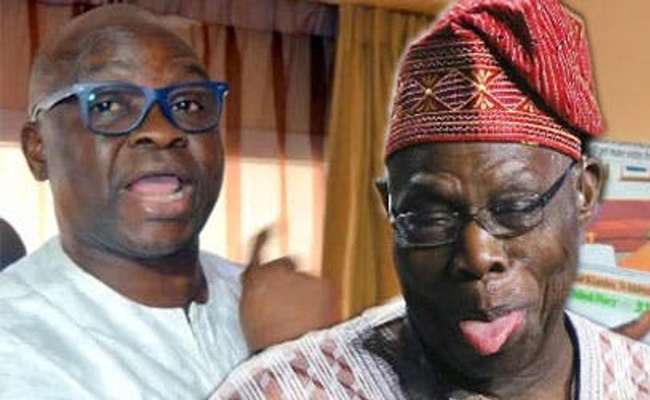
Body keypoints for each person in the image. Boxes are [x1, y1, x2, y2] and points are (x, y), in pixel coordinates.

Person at [212, 0, 650, 398]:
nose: (477, 255)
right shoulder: (280, 392)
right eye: (428, 217)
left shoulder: (638, 380)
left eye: (516, 208)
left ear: (583, 193)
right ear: (390, 207)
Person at [0, 5, 249, 398]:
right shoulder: (13, 339)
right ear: (38, 149)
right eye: (108, 105)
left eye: (188, 104)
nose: (162, 130)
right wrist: (286, 359)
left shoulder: (257, 293)